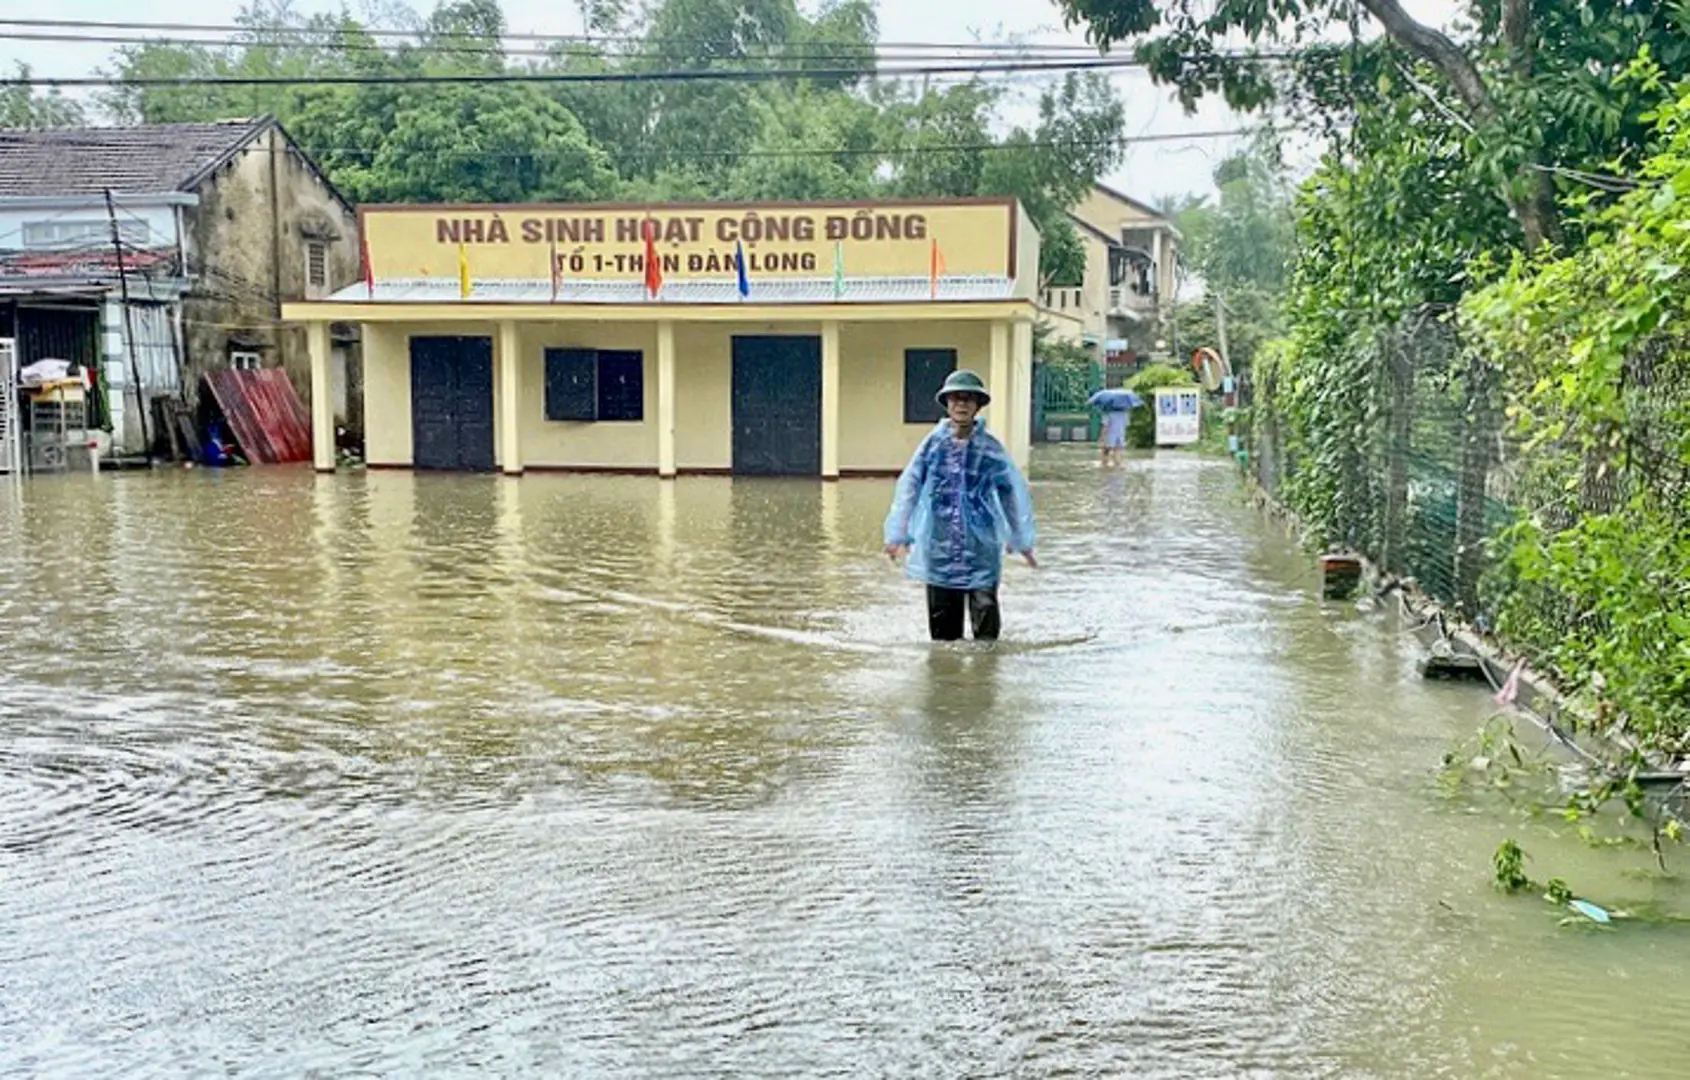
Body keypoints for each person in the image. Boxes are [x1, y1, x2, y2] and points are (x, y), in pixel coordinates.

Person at [883, 369, 1037, 642]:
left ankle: (984, 681)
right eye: (956, 399)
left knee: (986, 622)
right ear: (947, 404)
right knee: (944, 634)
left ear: (978, 405)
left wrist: (1020, 538)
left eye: (968, 399)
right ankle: (946, 682)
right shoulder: (932, 445)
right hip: (939, 544)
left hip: (980, 547)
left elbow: (1010, 494)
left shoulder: (990, 449)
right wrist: (898, 533)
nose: (962, 404)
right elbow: (910, 487)